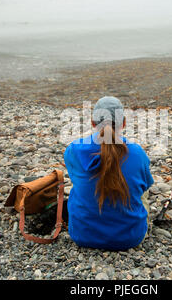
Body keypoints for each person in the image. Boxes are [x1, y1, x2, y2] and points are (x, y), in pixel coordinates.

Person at [64, 96, 154, 250]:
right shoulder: (137, 152)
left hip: (83, 236)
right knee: (143, 191)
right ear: (124, 123)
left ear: (93, 123)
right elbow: (144, 186)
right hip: (130, 238)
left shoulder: (74, 149)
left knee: (78, 186)